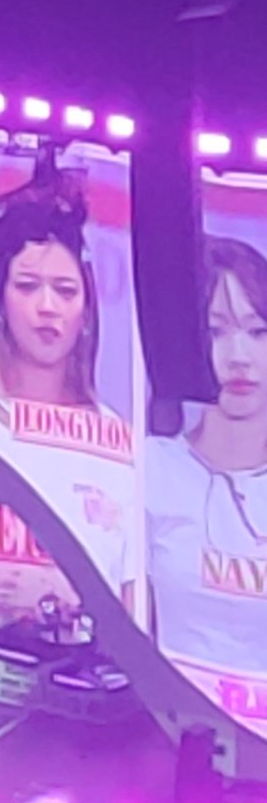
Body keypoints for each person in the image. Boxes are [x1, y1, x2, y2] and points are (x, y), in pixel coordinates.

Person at [0, 198, 135, 604]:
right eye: (28, 287)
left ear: (86, 312)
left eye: (66, 291)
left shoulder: (117, 444)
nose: (48, 308)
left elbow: (131, 595)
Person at [147, 236, 267, 688]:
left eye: (258, 332)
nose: (239, 358)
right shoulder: (149, 471)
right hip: (168, 722)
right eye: (216, 332)